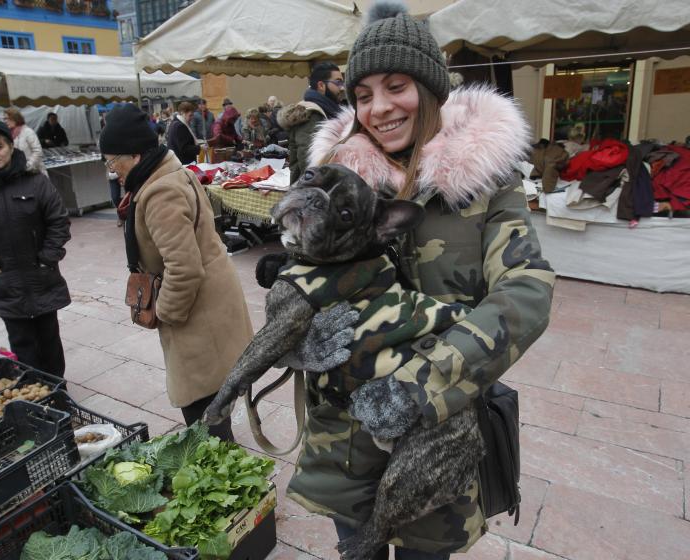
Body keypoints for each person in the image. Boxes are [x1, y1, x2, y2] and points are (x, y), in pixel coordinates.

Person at [284, 4, 556, 558]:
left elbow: (526, 289)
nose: (379, 108)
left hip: (435, 435)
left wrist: (423, 383)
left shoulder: (485, 183)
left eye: (396, 86)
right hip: (346, 435)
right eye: (362, 95)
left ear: (429, 87)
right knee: (353, 547)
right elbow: (300, 277)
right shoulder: (337, 179)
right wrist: (299, 335)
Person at [98, 105, 252, 441]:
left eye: (113, 162)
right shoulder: (165, 173)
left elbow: (184, 270)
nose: (112, 171)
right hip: (211, 304)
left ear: (136, 155)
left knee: (205, 422)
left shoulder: (160, 192)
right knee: (214, 411)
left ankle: (229, 488)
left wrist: (165, 314)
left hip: (199, 316)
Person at [0, 120, 71, 377]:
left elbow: (58, 220)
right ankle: (37, 392)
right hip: (4, 281)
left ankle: (57, 388)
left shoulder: (35, 182)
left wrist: (47, 258)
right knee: (22, 341)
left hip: (40, 276)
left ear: (11, 146)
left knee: (49, 338)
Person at [277, 61, 345, 182]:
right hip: (315, 190)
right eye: (338, 82)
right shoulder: (312, 114)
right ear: (321, 85)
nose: (342, 87)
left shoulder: (328, 109)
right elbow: (309, 164)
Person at [4, 107, 47, 175]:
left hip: (34, 172)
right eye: (4, 119)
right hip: (18, 173)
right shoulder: (9, 134)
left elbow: (38, 151)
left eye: (7, 118)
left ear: (15, 118)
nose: (5, 121)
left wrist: (28, 165)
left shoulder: (27, 131)